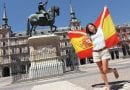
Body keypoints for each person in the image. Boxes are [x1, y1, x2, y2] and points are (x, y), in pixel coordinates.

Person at [86, 23, 119, 90]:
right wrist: (88, 41)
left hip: (104, 51)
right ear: (89, 30)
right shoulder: (90, 36)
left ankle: (114, 70)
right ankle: (107, 86)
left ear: (94, 26)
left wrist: (104, 12)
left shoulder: (100, 29)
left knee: (105, 69)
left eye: (91, 26)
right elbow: (89, 42)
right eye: (89, 28)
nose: (91, 28)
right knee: (101, 70)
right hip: (95, 53)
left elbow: (103, 18)